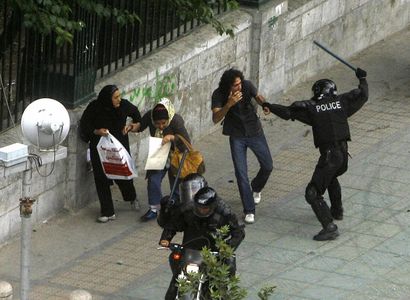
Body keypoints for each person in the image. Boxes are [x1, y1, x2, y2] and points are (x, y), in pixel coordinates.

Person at [262, 68, 369, 241]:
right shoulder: (342, 103)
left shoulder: (313, 109)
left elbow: (288, 112)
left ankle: (329, 227)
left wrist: (269, 106)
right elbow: (363, 95)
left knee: (312, 193)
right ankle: (337, 211)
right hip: (343, 155)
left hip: (329, 156)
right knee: (331, 176)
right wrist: (362, 78)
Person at [159, 185, 245, 300]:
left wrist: (227, 248)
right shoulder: (187, 210)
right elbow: (173, 224)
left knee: (221, 282)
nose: (201, 210)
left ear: (212, 206)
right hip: (190, 251)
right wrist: (166, 238)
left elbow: (238, 231)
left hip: (214, 253)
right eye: (199, 207)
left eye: (204, 208)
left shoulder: (225, 212)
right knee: (175, 279)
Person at [211, 68, 273, 224]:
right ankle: (249, 209)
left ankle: (256, 187)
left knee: (268, 166)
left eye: (239, 84)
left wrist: (264, 104)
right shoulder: (219, 94)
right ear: (228, 86)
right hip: (236, 135)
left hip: (254, 131)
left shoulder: (246, 85)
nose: (238, 87)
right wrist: (229, 104)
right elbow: (215, 118)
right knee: (241, 173)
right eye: (235, 86)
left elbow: (257, 96)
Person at [79, 84, 141, 223]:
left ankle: (131, 197)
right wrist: (96, 131)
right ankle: (107, 211)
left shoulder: (124, 106)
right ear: (107, 98)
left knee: (123, 176)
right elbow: (85, 124)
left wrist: (130, 126)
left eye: (119, 96)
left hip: (118, 149)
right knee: (101, 178)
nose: (119, 100)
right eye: (115, 97)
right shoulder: (95, 107)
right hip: (100, 149)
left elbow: (137, 115)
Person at [132, 98, 191, 222]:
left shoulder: (176, 121)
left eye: (163, 123)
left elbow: (186, 143)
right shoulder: (150, 116)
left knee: (175, 182)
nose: (160, 126)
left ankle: (174, 208)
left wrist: (172, 137)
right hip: (159, 151)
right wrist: (133, 127)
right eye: (157, 124)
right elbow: (141, 125)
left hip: (176, 154)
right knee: (153, 180)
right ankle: (154, 209)